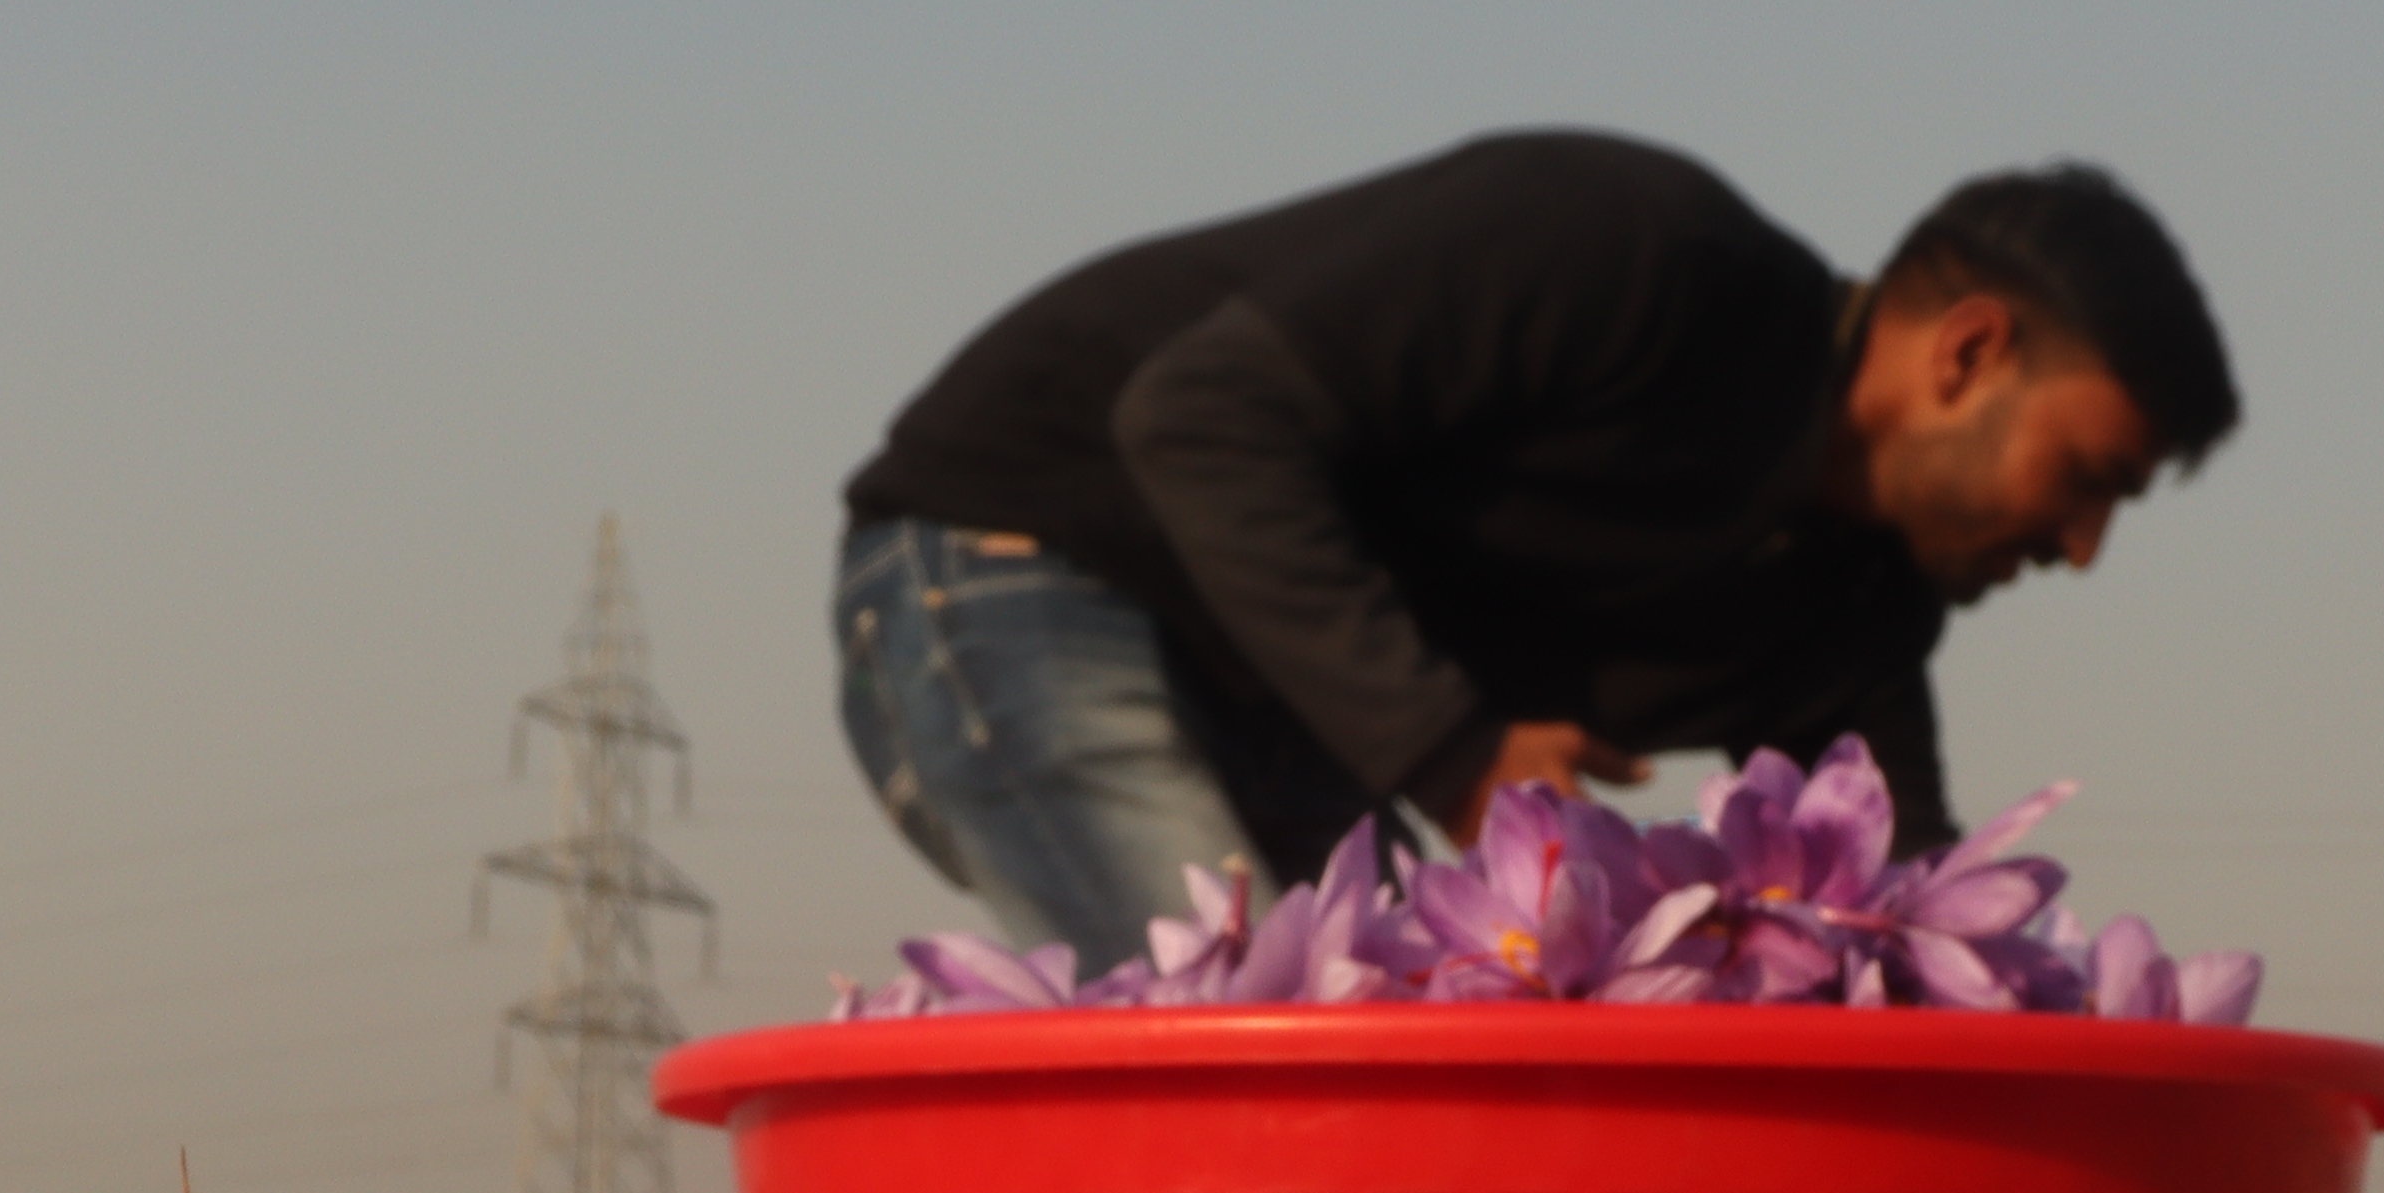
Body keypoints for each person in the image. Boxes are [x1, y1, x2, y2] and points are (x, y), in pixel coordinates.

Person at [833, 131, 2238, 966]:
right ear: (1971, 351)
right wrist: (1457, 755)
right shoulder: (1643, 257)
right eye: (2087, 478)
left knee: (1401, 1053)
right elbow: (1198, 418)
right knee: (1261, 1041)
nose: (2081, 545)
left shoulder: (1850, 619)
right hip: (1028, 547)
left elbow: (1917, 928)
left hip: (1269, 679)